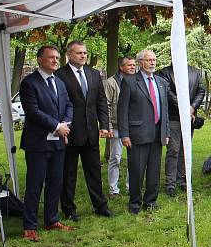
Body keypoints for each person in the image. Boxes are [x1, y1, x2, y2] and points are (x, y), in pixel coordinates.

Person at [19, 46, 74, 241]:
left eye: (57, 58)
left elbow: (68, 104)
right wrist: (55, 126)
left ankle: (51, 220)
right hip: (38, 143)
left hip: (58, 142)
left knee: (55, 182)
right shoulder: (29, 83)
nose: (55, 61)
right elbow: (32, 111)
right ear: (40, 60)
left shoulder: (59, 82)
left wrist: (65, 124)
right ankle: (30, 226)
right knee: (35, 185)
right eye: (51, 57)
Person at [55, 41, 112, 221]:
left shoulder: (94, 74)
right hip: (70, 132)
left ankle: (100, 205)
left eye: (85, 53)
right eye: (79, 53)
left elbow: (101, 101)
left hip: (91, 132)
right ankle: (69, 209)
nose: (83, 56)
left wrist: (104, 124)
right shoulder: (60, 75)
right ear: (69, 54)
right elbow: (58, 104)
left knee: (94, 171)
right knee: (69, 173)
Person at [118, 49, 169, 213]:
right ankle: (134, 203)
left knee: (154, 171)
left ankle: (151, 201)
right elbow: (122, 110)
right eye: (148, 60)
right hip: (137, 134)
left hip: (157, 133)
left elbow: (165, 110)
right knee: (137, 171)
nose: (152, 63)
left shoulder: (161, 82)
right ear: (140, 62)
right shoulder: (130, 81)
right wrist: (124, 134)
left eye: (154, 60)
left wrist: (166, 132)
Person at [158, 62, 206, 195]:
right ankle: (170, 183)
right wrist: (184, 107)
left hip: (189, 117)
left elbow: (201, 90)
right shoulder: (165, 72)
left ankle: (183, 180)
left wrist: (192, 107)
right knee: (173, 149)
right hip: (173, 117)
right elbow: (167, 92)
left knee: (185, 149)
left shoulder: (195, 71)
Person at [104, 56, 136, 198]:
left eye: (134, 65)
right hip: (116, 126)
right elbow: (107, 105)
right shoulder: (111, 82)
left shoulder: (137, 81)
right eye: (129, 65)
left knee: (133, 159)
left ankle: (131, 187)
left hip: (133, 126)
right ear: (121, 67)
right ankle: (113, 189)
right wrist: (109, 127)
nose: (132, 67)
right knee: (115, 158)